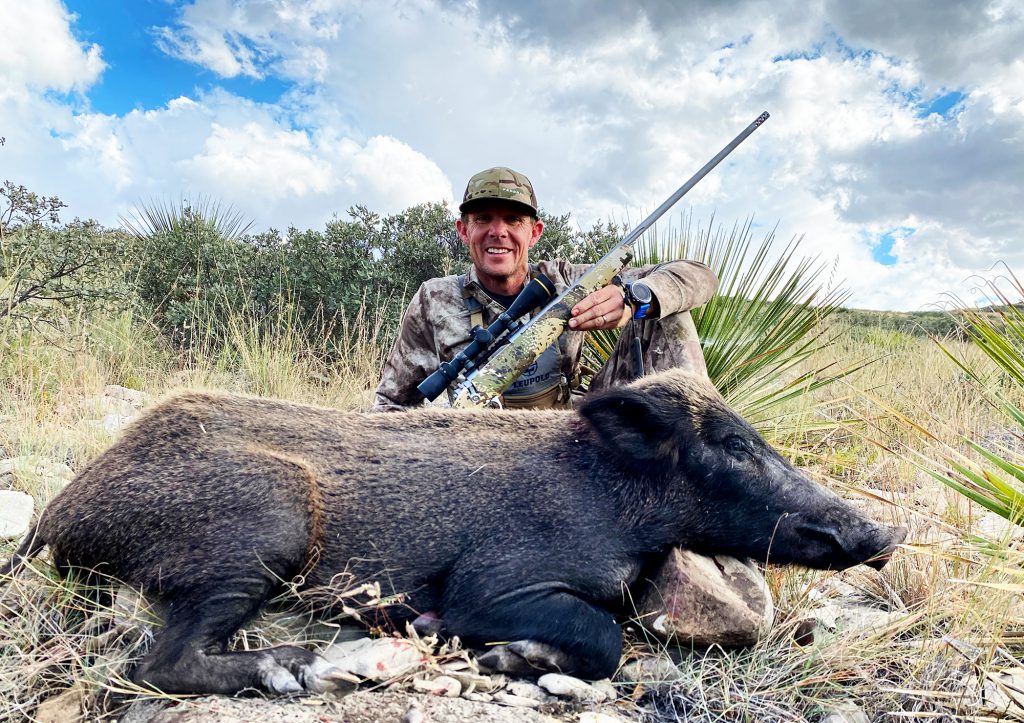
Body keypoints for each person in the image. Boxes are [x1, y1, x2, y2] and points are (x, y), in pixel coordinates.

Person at [372, 166, 718, 412]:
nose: (498, 232)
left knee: (666, 311)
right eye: (483, 219)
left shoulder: (570, 281)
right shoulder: (434, 299)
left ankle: (694, 464)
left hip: (569, 430)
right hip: (475, 443)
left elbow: (699, 276)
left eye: (512, 221)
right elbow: (389, 404)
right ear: (463, 230)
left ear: (534, 233)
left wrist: (634, 300)